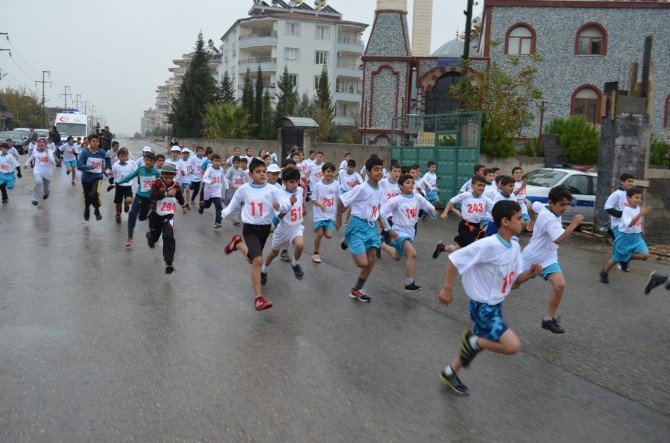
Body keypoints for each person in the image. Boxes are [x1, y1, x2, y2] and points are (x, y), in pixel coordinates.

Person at [438, 201, 542, 395]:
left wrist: (530, 274)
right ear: (505, 221)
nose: (523, 222)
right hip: (484, 307)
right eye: (519, 218)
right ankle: (473, 342)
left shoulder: (514, 247)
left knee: (478, 345)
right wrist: (447, 288)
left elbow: (515, 282)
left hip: (495, 305)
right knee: (512, 346)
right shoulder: (488, 245)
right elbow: (454, 259)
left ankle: (449, 371)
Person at [221, 159, 291, 311]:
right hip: (250, 228)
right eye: (258, 172)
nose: (262, 174)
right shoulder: (244, 189)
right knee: (258, 261)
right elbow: (235, 201)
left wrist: (281, 206)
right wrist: (226, 212)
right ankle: (258, 299)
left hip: (265, 229)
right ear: (251, 174)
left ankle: (238, 244)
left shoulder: (273, 190)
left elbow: (286, 202)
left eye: (264, 171)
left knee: (253, 260)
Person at [521, 185, 584, 334]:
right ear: (551, 202)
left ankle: (548, 319)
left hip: (548, 257)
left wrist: (531, 221)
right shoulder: (549, 218)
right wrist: (574, 223)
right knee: (513, 285)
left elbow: (531, 205)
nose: (565, 208)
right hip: (532, 256)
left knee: (560, 285)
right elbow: (558, 239)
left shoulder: (543, 207)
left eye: (567, 204)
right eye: (562, 205)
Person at [335, 155, 391, 302]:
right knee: (362, 263)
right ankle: (348, 239)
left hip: (371, 226)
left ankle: (356, 289)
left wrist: (380, 220)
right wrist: (339, 218)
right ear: (367, 171)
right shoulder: (361, 188)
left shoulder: (379, 188)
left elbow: (376, 206)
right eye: (376, 169)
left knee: (371, 260)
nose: (379, 172)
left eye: (381, 169)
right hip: (358, 225)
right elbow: (341, 200)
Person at [380, 174, 437, 292]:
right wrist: (389, 230)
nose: (411, 184)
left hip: (410, 231)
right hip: (399, 231)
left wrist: (432, 210)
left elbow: (427, 205)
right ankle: (409, 283)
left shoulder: (417, 197)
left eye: (412, 182)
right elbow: (382, 213)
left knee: (397, 256)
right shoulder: (396, 200)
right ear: (400, 186)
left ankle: (381, 244)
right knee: (412, 253)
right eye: (407, 182)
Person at [261, 167, 306, 284]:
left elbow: (301, 201)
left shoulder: (300, 190)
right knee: (274, 253)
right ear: (284, 182)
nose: (295, 184)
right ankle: (264, 270)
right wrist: (274, 224)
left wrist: (303, 209)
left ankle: (294, 264)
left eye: (296, 181)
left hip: (296, 227)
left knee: (300, 245)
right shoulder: (280, 195)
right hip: (283, 229)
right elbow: (279, 215)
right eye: (291, 182)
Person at [433, 175, 493, 258]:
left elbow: (494, 210)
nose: (482, 187)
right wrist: (445, 212)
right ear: (472, 185)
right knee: (472, 247)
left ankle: (442, 247)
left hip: (477, 226)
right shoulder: (466, 195)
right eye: (479, 185)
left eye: (484, 186)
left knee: (458, 250)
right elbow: (451, 201)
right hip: (465, 225)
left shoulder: (486, 199)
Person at [600, 188, 651, 284]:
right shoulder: (626, 210)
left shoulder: (638, 208)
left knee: (645, 255)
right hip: (624, 238)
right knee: (616, 259)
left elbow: (640, 219)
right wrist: (640, 214)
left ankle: (626, 258)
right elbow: (630, 224)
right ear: (628, 198)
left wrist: (642, 229)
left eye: (640, 198)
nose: (639, 200)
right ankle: (604, 272)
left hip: (636, 238)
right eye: (636, 198)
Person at [146, 164, 187, 274]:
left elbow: (179, 196)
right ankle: (150, 237)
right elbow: (152, 196)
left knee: (168, 236)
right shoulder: (157, 183)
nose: (168, 180)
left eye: (171, 178)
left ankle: (169, 263)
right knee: (154, 237)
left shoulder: (176, 185)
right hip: (156, 214)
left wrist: (183, 205)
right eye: (166, 177)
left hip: (168, 215)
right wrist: (165, 193)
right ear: (162, 176)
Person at [116, 152, 161, 247]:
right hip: (139, 196)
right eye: (147, 160)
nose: (148, 162)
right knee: (132, 215)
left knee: (141, 218)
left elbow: (162, 184)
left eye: (151, 161)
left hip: (149, 199)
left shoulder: (156, 173)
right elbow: (130, 176)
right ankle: (129, 238)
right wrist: (118, 183)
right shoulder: (140, 170)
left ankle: (147, 217)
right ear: (144, 160)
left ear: (154, 162)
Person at [604, 173, 636, 267]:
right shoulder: (617, 194)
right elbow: (608, 207)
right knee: (623, 244)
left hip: (628, 225)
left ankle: (619, 260)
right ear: (622, 182)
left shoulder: (630, 195)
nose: (631, 183)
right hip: (618, 225)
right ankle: (621, 262)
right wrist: (622, 214)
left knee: (627, 244)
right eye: (629, 181)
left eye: (632, 182)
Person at [77, 134, 112, 221]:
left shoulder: (102, 152)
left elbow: (108, 159)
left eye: (97, 141)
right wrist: (91, 167)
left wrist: (109, 168)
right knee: (87, 198)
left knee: (94, 193)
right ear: (89, 142)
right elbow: (79, 166)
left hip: (98, 177)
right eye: (93, 141)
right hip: (86, 178)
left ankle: (96, 210)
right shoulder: (85, 153)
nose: (95, 143)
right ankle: (87, 209)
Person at [311, 162, 340, 263]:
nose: (330, 174)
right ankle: (316, 253)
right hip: (319, 214)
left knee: (328, 235)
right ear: (323, 172)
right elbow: (313, 199)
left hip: (330, 214)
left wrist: (338, 215)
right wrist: (320, 205)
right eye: (328, 171)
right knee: (319, 233)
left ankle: (322, 229)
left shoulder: (336, 184)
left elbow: (338, 199)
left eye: (332, 172)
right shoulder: (318, 185)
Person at [200, 154, 229, 228]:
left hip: (217, 190)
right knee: (207, 205)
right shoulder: (209, 169)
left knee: (219, 205)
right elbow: (204, 178)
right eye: (215, 161)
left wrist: (226, 187)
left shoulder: (221, 169)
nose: (217, 162)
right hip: (208, 190)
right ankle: (202, 205)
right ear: (212, 161)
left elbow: (223, 178)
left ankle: (218, 222)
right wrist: (210, 182)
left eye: (219, 161)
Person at [24, 137, 55, 206]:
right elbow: (31, 157)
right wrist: (26, 164)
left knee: (46, 188)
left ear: (45, 143)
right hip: (38, 170)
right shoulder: (35, 151)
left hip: (47, 171)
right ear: (37, 144)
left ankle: (46, 193)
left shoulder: (49, 151)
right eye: (39, 142)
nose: (41, 143)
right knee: (38, 182)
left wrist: (47, 152)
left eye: (43, 142)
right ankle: (35, 199)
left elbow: (53, 161)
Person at [109, 148, 136, 224]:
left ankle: (126, 203)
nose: (123, 157)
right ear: (118, 157)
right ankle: (118, 214)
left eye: (125, 156)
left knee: (129, 200)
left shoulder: (130, 166)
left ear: (127, 156)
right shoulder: (115, 166)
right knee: (118, 202)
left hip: (128, 186)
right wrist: (112, 182)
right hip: (119, 187)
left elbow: (133, 174)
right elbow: (112, 175)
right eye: (122, 156)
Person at [224, 155, 247, 225]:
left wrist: (244, 184)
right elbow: (226, 178)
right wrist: (231, 184)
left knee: (238, 204)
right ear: (233, 163)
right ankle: (227, 203)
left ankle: (236, 219)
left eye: (238, 163)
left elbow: (243, 178)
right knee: (228, 201)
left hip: (238, 190)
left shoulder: (241, 171)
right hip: (231, 189)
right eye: (236, 163)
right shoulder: (230, 169)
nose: (237, 164)